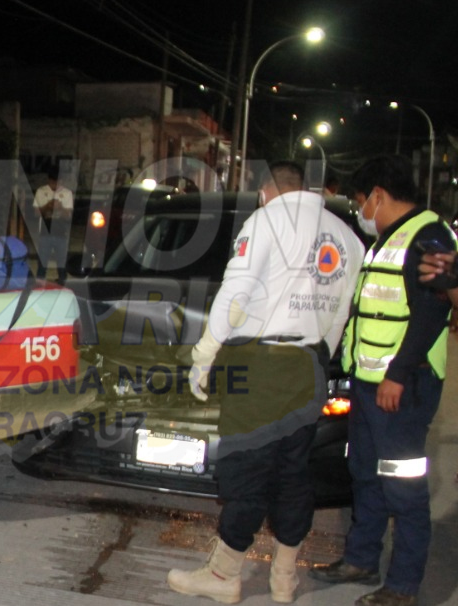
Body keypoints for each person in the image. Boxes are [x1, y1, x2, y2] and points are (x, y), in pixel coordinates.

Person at [167, 161, 364, 604]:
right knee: (292, 474)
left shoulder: (268, 220)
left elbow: (234, 296)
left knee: (244, 471)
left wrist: (204, 355)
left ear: (265, 192)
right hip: (308, 366)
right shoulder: (347, 237)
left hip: (260, 366)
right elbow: (339, 317)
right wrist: (317, 357)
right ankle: (284, 577)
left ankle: (223, 577)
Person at [308, 155, 455, 606]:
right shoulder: (389, 239)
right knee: (365, 473)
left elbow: (432, 313)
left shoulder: (429, 236)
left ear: (377, 195)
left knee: (402, 484)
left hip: (402, 389)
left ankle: (404, 585)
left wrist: (396, 375)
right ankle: (360, 558)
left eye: (360, 202)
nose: (361, 213)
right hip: (370, 384)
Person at [32, 167, 74, 280]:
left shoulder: (67, 193)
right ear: (49, 180)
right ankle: (40, 286)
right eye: (53, 182)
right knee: (42, 264)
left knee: (62, 265)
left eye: (58, 182)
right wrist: (48, 206)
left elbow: (68, 215)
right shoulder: (41, 191)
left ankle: (62, 283)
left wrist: (59, 208)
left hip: (61, 233)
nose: (55, 185)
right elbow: (36, 213)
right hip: (45, 233)